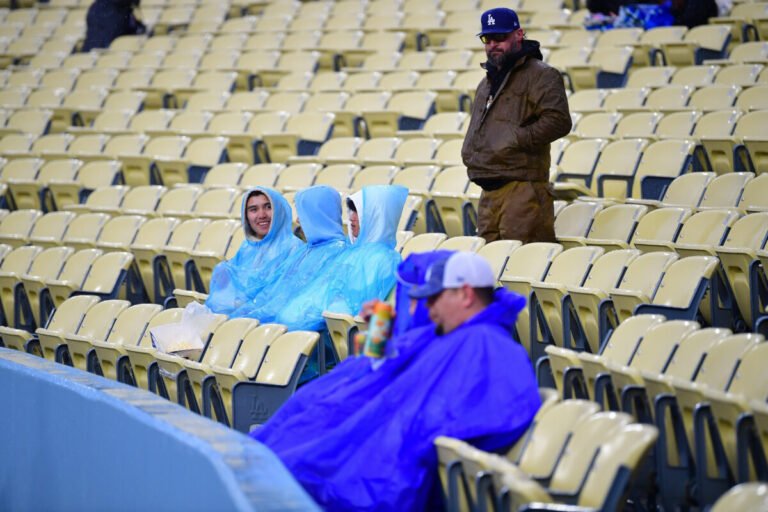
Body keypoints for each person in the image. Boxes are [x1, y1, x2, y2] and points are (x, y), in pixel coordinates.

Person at [252, 251, 541, 511]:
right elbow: (377, 369)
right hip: (374, 436)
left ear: (465, 295)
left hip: (386, 455)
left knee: (297, 465)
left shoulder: (484, 344)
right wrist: (380, 331)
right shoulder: (452, 335)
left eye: (433, 298)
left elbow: (467, 416)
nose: (429, 309)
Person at [461, 7, 572, 244]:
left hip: (523, 189)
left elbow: (559, 121)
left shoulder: (541, 74)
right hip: (489, 191)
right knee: (491, 269)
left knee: (520, 268)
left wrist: (515, 138)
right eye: (487, 39)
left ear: (518, 34)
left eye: (500, 37)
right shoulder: (487, 81)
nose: (493, 45)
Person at [231, 185, 349, 330]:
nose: (298, 221)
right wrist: (243, 314)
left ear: (317, 215)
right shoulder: (307, 251)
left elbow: (304, 312)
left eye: (303, 214)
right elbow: (272, 292)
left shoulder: (339, 254)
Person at [204, 187, 303, 315]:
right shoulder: (246, 248)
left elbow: (280, 301)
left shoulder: (295, 249)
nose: (262, 215)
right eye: (253, 210)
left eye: (268, 207)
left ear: (279, 210)